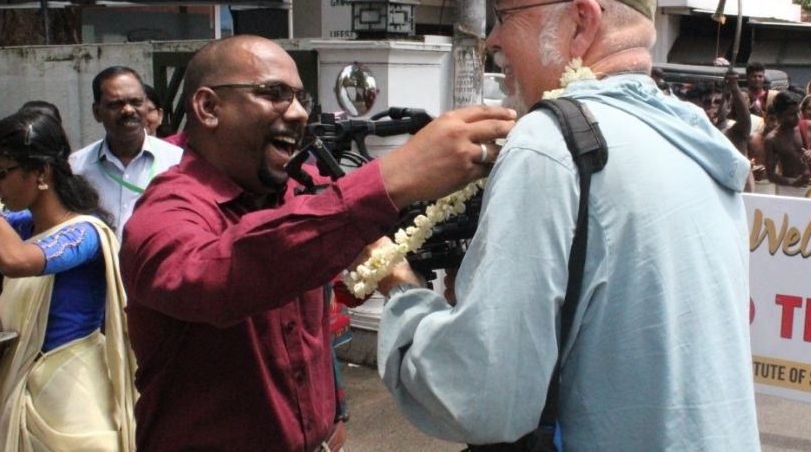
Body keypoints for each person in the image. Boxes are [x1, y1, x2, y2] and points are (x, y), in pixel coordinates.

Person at [373, 0, 760, 450]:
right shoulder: (694, 136)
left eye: (505, 16)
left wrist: (400, 289)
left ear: (582, 23)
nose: (492, 39)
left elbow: (482, 397)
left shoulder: (552, 141)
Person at [118, 34, 515, 451]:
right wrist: (391, 178)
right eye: (275, 94)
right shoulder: (164, 214)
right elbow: (218, 279)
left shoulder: (299, 191)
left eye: (299, 97)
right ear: (208, 107)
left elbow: (359, 245)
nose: (298, 113)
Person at [0, 110, 135, 451]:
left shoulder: (85, 234)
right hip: (21, 395)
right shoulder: (24, 227)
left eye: (0, 174)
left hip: (71, 405)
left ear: (41, 172)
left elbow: (15, 261)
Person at [69, 66, 182, 237]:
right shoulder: (76, 167)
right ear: (97, 112)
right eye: (116, 104)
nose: (128, 110)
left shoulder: (178, 162)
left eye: (136, 102)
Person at [764, 90, 811, 197]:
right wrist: (793, 182)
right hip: (789, 189)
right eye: (791, 114)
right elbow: (770, 175)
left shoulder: (810, 127)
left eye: (798, 112)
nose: (798, 117)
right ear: (779, 115)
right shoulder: (772, 139)